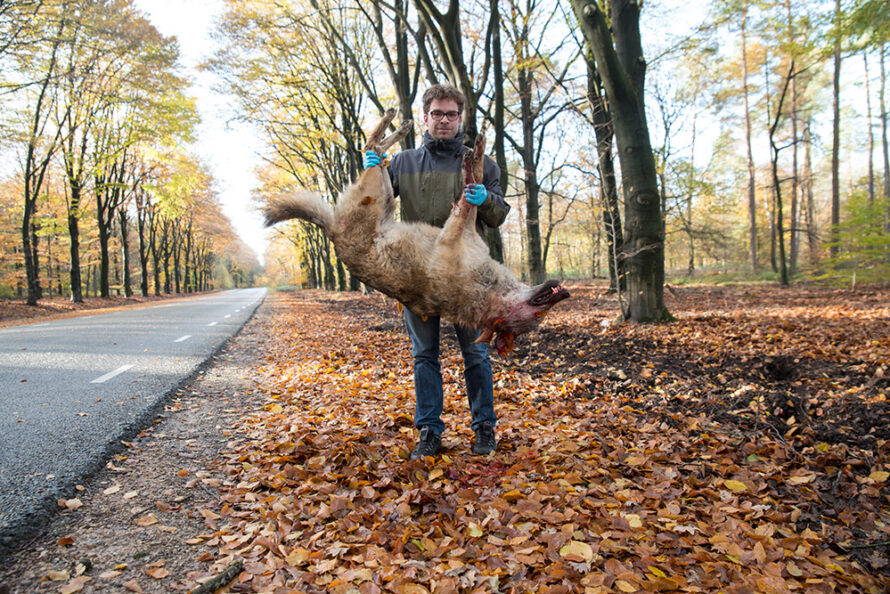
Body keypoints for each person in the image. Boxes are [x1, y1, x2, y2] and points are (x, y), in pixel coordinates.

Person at [363, 84, 510, 459]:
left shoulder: (481, 163)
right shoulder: (403, 162)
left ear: (460, 118)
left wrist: (486, 198)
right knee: (424, 355)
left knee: (475, 355)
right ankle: (429, 431)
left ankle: (484, 429)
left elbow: (497, 215)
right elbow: (374, 205)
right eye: (436, 114)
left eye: (451, 114)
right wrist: (370, 173)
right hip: (417, 275)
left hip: (466, 276)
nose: (444, 120)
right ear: (425, 118)